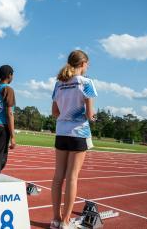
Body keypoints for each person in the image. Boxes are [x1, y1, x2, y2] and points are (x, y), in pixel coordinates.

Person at [50, 50, 97, 229]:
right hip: (78, 134)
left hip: (61, 133)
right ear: (83, 64)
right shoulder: (86, 83)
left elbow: (55, 113)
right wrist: (92, 117)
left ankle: (55, 219)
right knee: (72, 177)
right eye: (88, 64)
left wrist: (66, 113)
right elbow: (90, 114)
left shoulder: (59, 83)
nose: (88, 67)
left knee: (57, 177)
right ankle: (66, 221)